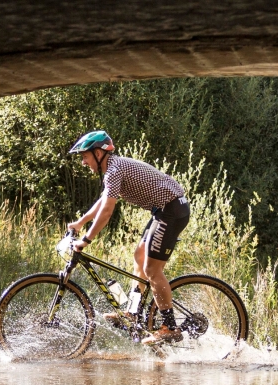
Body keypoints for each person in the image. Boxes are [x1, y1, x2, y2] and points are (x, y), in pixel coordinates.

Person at [67, 130, 190, 344]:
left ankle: (170, 327)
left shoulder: (114, 169)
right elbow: (104, 202)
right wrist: (81, 222)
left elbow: (107, 212)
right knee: (139, 257)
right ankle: (133, 313)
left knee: (152, 269)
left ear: (98, 153)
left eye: (84, 157)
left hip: (172, 210)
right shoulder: (112, 169)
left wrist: (86, 239)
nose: (83, 162)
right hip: (164, 210)